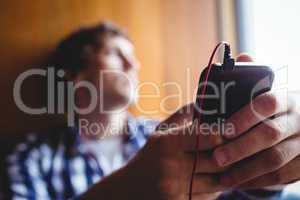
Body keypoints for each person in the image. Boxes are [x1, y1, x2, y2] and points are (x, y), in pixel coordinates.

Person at [2, 22, 300, 200]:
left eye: (133, 55)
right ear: (73, 74)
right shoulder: (34, 155)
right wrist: (123, 191)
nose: (134, 65)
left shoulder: (169, 138)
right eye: (116, 54)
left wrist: (266, 174)